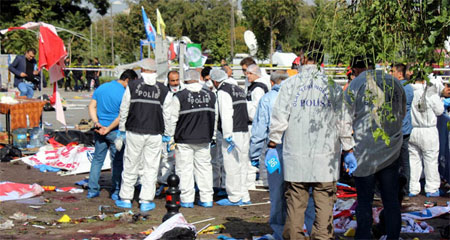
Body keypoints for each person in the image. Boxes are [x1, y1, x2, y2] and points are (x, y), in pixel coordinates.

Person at [268, 44, 355, 239]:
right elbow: (343, 121)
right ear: (322, 61)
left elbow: (279, 117)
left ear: (302, 57)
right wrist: (348, 149)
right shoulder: (332, 86)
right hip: (326, 160)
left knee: (295, 208)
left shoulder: (290, 85)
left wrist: (272, 144)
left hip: (296, 159)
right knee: (324, 208)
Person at [344, 56, 406, 239]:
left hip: (365, 149)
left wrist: (347, 148)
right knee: (391, 200)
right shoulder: (394, 82)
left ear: (355, 69)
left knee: (364, 200)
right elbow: (401, 113)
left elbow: (345, 117)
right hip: (390, 149)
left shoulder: (356, 84)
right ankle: (392, 235)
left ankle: (364, 236)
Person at [250, 70, 315, 239]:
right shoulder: (300, 97)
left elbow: (259, 131)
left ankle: (280, 231)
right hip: (300, 152)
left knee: (278, 194)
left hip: (275, 153)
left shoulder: (267, 99)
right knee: (303, 192)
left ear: (272, 83)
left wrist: (255, 155)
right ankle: (310, 228)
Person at [115, 59, 172, 212]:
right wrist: (168, 134)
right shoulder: (163, 90)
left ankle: (126, 198)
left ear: (142, 69)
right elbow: (168, 114)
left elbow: (124, 108)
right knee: (151, 167)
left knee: (130, 164)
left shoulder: (133, 86)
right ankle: (146, 200)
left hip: (134, 131)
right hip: (155, 134)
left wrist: (121, 130)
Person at [168, 70, 217, 208]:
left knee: (184, 170)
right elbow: (216, 116)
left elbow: (172, 119)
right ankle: (207, 198)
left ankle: (187, 199)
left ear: (185, 80)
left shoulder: (179, 96)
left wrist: (170, 137)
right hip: (204, 138)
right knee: (205, 169)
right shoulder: (211, 95)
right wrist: (212, 136)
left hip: (184, 139)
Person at [87, 69, 138, 200]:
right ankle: (116, 190)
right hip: (115, 131)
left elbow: (91, 106)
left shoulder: (102, 88)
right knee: (117, 162)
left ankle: (92, 189)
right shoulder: (125, 93)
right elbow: (122, 116)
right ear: (128, 80)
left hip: (99, 130)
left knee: (97, 160)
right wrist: (108, 128)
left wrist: (96, 122)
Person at [210, 69, 251, 206]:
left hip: (232, 133)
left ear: (215, 81)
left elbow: (226, 114)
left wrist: (226, 134)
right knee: (243, 164)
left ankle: (234, 197)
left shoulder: (223, 91)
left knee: (231, 164)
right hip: (244, 130)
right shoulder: (238, 89)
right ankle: (244, 195)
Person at [408, 71, 444, 197]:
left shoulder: (409, 91)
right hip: (428, 129)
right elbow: (439, 111)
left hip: (413, 129)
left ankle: (413, 187)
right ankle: (432, 188)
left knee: (413, 160)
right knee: (431, 160)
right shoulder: (429, 93)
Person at [392, 63, 414, 197]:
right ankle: (403, 187)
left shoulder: (402, 87)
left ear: (400, 74)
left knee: (402, 160)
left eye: (393, 71)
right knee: (403, 160)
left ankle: (404, 188)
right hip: (404, 128)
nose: (391, 74)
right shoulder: (407, 87)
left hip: (401, 129)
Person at [245, 64, 269, 189]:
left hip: (256, 125)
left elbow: (255, 111)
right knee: (262, 153)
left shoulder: (257, 88)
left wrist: (245, 105)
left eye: (249, 73)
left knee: (254, 153)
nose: (246, 75)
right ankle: (265, 178)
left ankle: (252, 181)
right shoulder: (255, 86)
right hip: (260, 124)